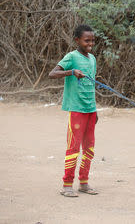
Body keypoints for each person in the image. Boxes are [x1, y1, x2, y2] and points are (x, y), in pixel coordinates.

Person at [49, 24, 99, 197]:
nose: (90, 43)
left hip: (90, 110)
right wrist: (71, 72)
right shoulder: (71, 57)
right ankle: (67, 185)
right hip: (76, 110)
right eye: (86, 40)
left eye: (92, 40)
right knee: (73, 148)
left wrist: (95, 110)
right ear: (77, 40)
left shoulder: (92, 59)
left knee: (89, 148)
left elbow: (91, 86)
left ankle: (84, 183)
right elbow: (52, 73)